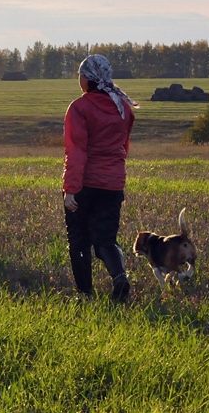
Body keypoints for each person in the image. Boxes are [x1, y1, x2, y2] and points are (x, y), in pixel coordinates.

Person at [62, 55, 138, 302]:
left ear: (88, 79)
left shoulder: (79, 108)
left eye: (80, 75)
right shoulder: (123, 107)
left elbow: (76, 150)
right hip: (113, 184)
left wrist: (71, 188)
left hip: (85, 183)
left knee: (79, 240)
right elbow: (123, 147)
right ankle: (119, 278)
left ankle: (85, 295)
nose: (79, 80)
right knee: (105, 239)